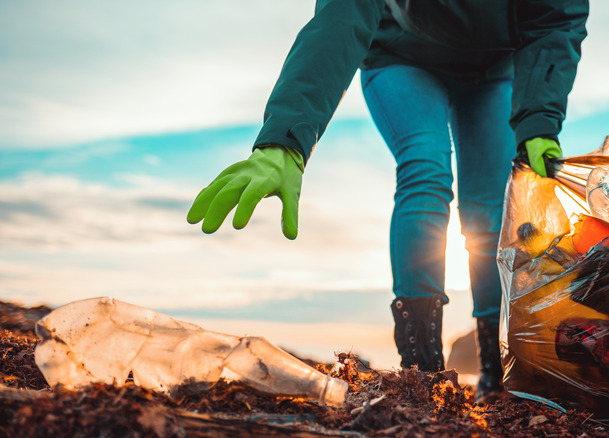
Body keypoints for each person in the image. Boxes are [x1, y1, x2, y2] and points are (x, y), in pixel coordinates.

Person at [187, 0, 588, 402]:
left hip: (496, 68)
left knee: (488, 212)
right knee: (425, 170)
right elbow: (343, 16)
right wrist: (285, 139)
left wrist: (539, 119)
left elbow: (556, 16)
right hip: (403, 55)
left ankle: (495, 370)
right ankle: (422, 370)